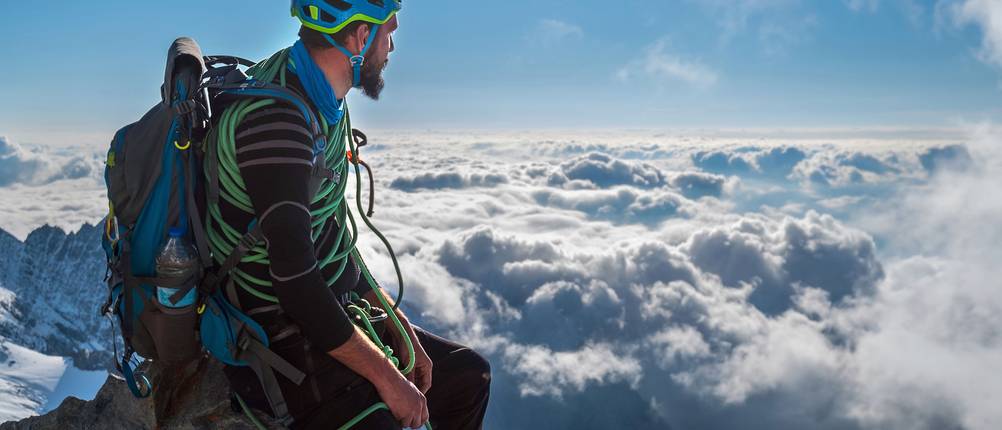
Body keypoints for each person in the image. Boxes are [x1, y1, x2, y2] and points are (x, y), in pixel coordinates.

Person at [218, 1, 491, 429]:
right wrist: (386, 377)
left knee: (468, 377)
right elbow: (295, 283)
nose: (393, 46)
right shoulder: (279, 122)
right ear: (361, 37)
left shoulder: (319, 96)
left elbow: (329, 234)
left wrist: (396, 322)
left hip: (323, 306)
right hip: (273, 331)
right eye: (389, 32)